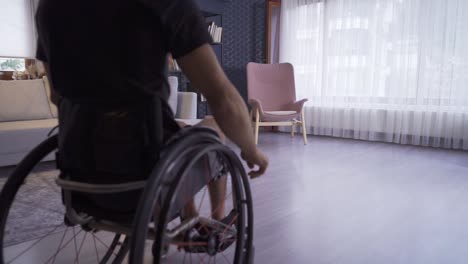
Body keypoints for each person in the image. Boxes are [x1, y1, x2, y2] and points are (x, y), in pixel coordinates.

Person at [34, 0, 268, 222]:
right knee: (213, 125)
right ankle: (218, 221)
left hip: (79, 174)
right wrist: (251, 151)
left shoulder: (49, 6)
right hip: (144, 175)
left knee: (181, 129)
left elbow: (57, 96)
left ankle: (191, 214)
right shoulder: (167, 4)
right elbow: (223, 99)